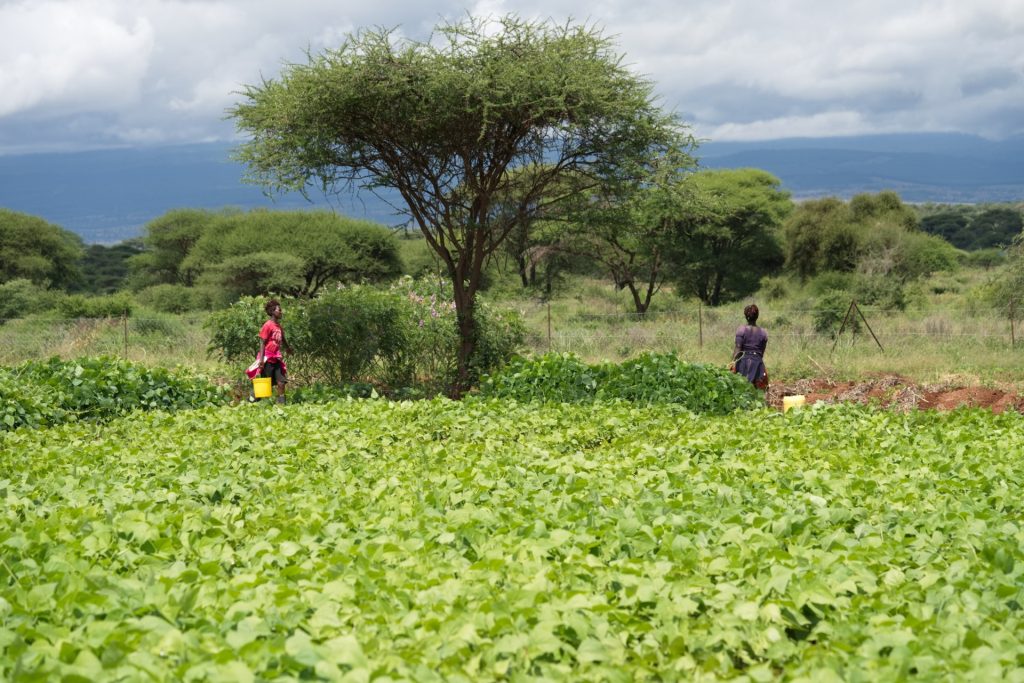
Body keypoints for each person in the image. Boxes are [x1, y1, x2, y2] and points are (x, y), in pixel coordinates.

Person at [257, 299, 291, 403]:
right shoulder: (268, 325)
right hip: (267, 358)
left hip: (276, 359)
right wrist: (261, 360)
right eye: (279, 310)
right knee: (265, 385)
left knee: (281, 382)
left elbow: (283, 339)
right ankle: (252, 401)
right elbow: (262, 342)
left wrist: (288, 348)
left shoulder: (279, 326)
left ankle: (281, 405)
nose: (281, 312)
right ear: (272, 311)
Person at [731, 303, 768, 391]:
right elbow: (761, 353)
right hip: (758, 363)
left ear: (745, 316)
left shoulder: (741, 330)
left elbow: (738, 349)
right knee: (758, 390)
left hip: (744, 363)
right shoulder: (763, 333)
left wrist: (732, 363)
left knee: (742, 389)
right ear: (757, 316)